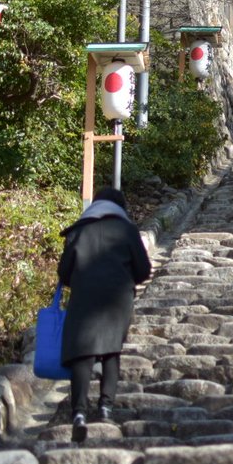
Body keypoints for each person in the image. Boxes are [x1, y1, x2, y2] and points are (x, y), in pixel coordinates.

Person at [58, 186, 151, 443]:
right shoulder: (127, 230)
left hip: (84, 296)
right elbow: (144, 269)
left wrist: (80, 280)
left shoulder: (79, 230)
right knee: (111, 351)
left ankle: (78, 413)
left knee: (82, 352)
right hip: (117, 297)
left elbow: (64, 272)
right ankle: (105, 408)